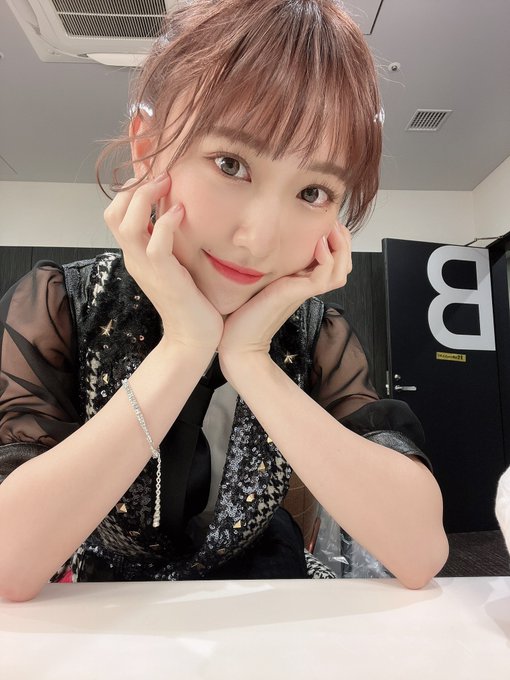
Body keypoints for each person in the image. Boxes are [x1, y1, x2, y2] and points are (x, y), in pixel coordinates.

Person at [0, 0, 448, 601]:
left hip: (264, 604)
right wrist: (185, 347)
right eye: (231, 164)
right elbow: (8, 564)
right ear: (148, 149)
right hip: (109, 613)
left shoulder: (317, 332)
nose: (258, 239)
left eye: (313, 191)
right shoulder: (64, 304)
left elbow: (419, 554)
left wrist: (251, 358)